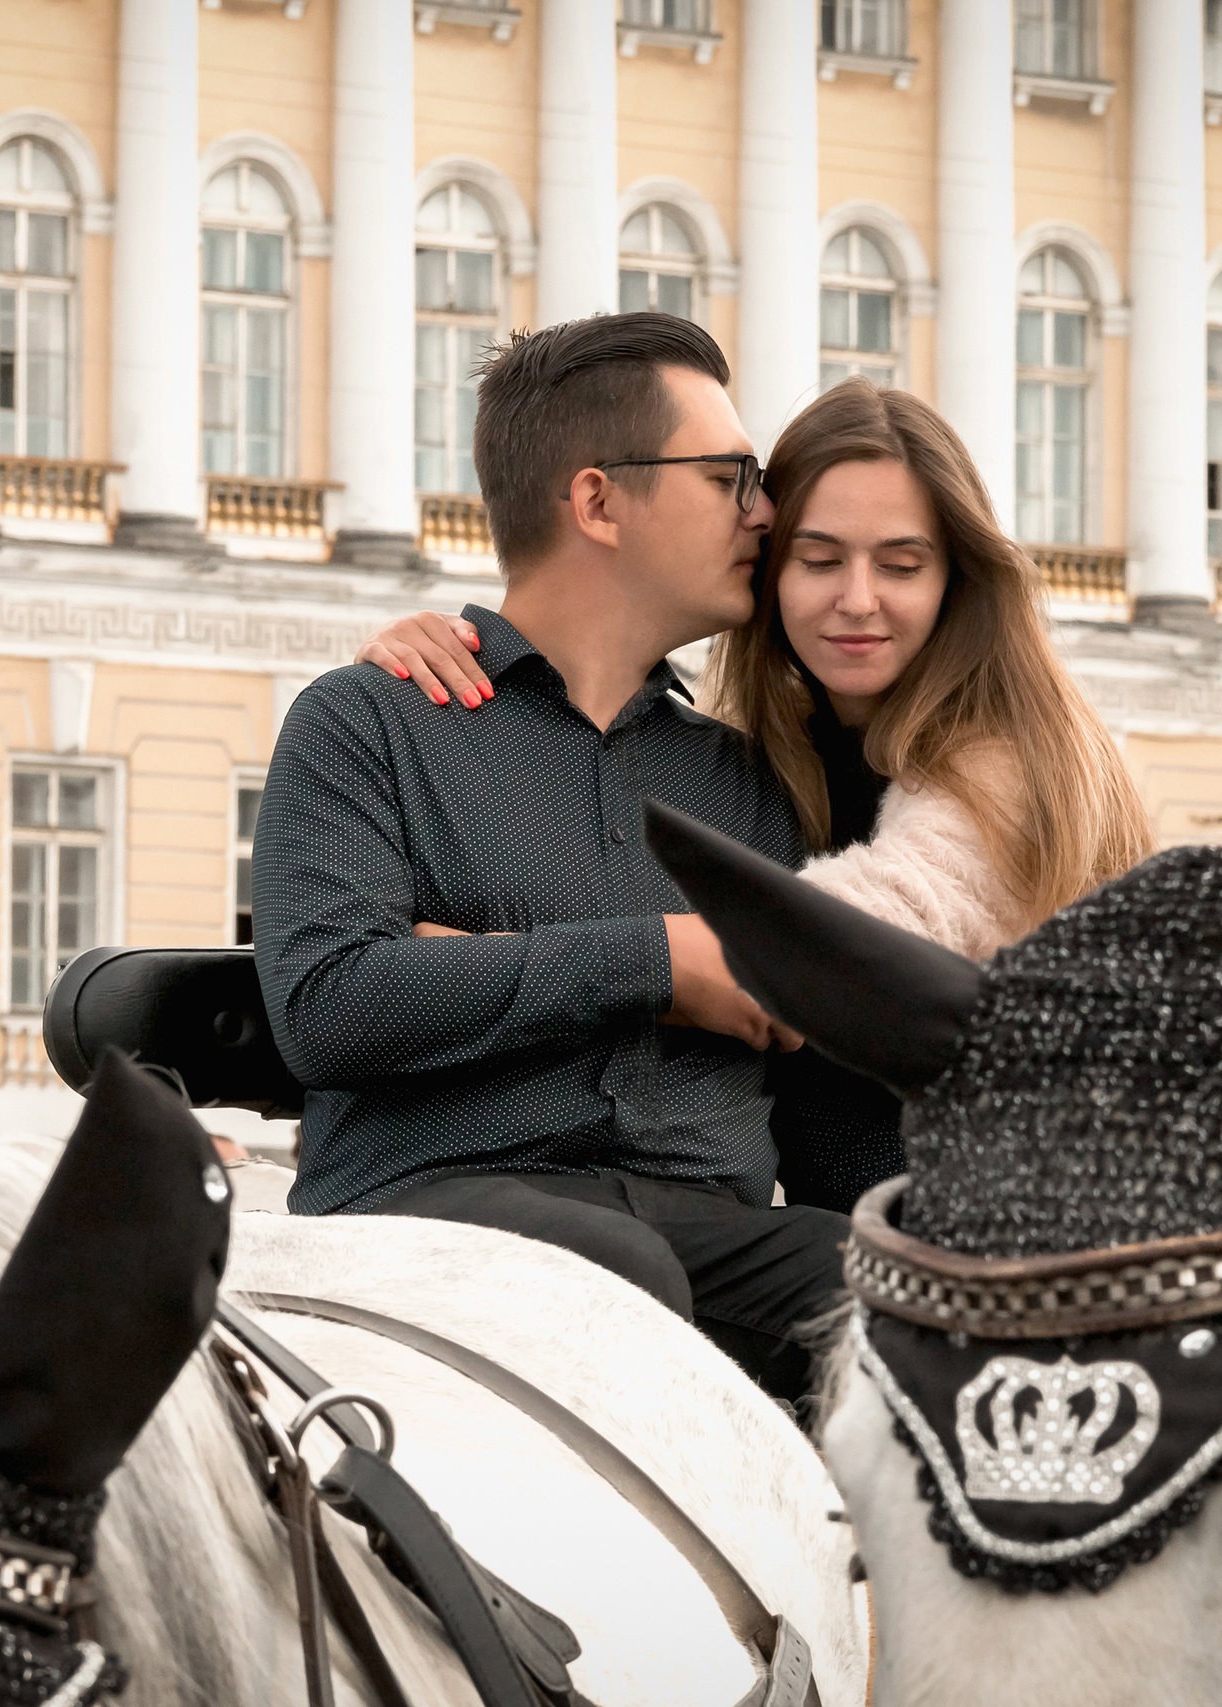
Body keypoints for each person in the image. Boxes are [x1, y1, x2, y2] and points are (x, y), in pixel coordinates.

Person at [250, 312, 851, 1407]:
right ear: (596, 501)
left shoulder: (757, 783)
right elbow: (332, 1004)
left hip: (703, 1230)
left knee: (905, 1296)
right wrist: (663, 963)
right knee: (612, 1277)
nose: (764, 511)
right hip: (429, 1220)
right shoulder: (370, 724)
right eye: (730, 477)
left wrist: (483, 963)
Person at [360, 379, 1153, 1205]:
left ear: (959, 580)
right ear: (766, 571)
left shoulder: (1010, 765)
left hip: (1005, 1249)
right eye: (817, 560)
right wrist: (431, 658)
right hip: (844, 1245)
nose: (857, 599)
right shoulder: (767, 750)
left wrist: (461, 964)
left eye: (902, 565)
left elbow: (803, 959)